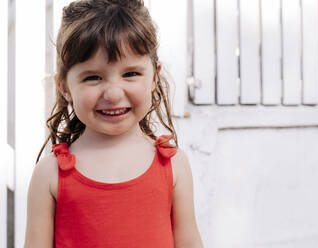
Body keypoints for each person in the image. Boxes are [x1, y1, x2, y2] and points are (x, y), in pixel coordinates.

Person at [24, 0, 203, 247]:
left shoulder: (174, 165)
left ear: (154, 77)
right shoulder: (49, 175)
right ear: (65, 87)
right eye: (93, 77)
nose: (113, 94)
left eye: (130, 74)